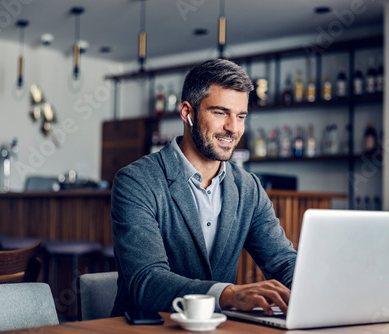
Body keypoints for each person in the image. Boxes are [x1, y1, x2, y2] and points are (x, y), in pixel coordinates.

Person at [111, 59, 297, 317]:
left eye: (240, 116)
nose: (233, 127)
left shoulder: (249, 188)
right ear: (187, 113)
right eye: (221, 113)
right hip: (150, 328)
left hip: (218, 328)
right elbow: (146, 282)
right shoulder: (136, 181)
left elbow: (283, 262)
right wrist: (229, 294)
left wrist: (319, 287)